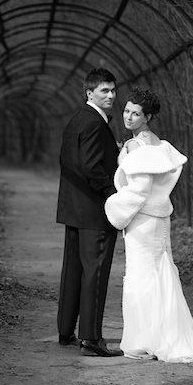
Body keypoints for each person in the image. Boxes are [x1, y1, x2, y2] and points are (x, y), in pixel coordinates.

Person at [104, 87, 193, 363]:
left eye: (136, 113)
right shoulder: (157, 143)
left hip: (142, 220)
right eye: (127, 110)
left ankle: (145, 340)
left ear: (148, 117)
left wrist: (113, 208)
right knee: (160, 275)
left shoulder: (136, 146)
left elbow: (139, 190)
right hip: (158, 219)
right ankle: (163, 334)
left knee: (141, 279)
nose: (128, 117)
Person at [56, 68, 122, 357]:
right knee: (94, 272)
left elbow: (69, 159)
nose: (111, 95)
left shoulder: (78, 118)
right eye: (104, 90)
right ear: (90, 92)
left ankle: (66, 330)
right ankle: (91, 339)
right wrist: (113, 195)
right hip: (94, 210)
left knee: (74, 270)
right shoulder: (95, 122)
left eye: (112, 90)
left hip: (74, 209)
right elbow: (91, 167)